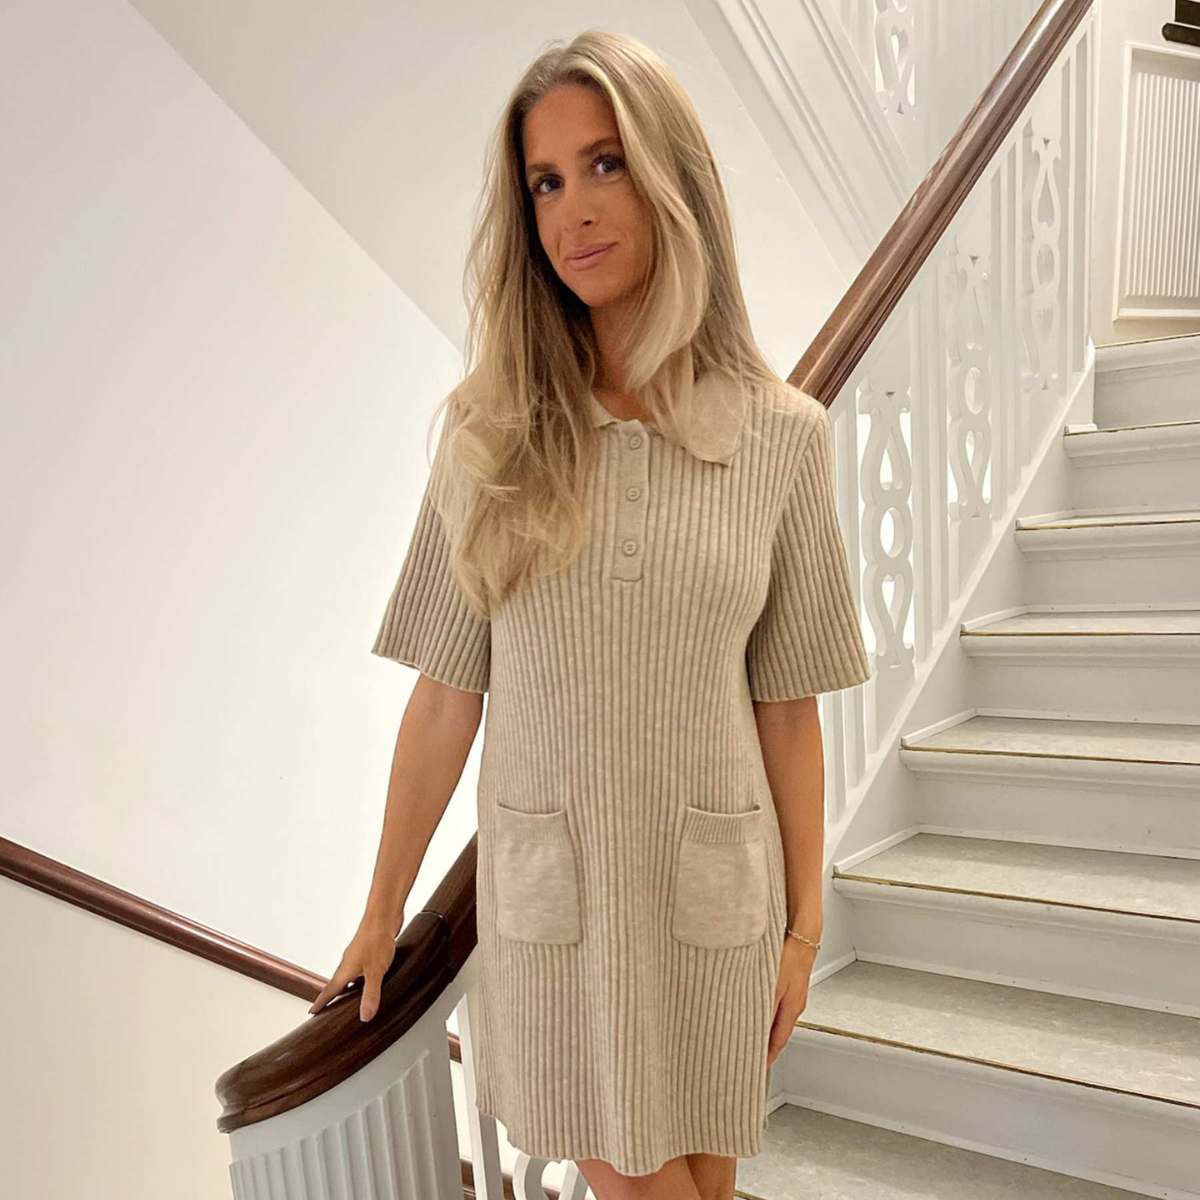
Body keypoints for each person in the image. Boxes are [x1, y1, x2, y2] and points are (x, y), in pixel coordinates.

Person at [308, 28, 873, 1200]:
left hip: (714, 904)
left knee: (709, 1184)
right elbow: (446, 697)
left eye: (605, 163)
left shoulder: (782, 439)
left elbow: (787, 710)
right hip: (558, 920)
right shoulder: (489, 436)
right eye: (546, 183)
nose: (574, 210)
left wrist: (804, 931)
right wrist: (382, 908)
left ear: (671, 175)